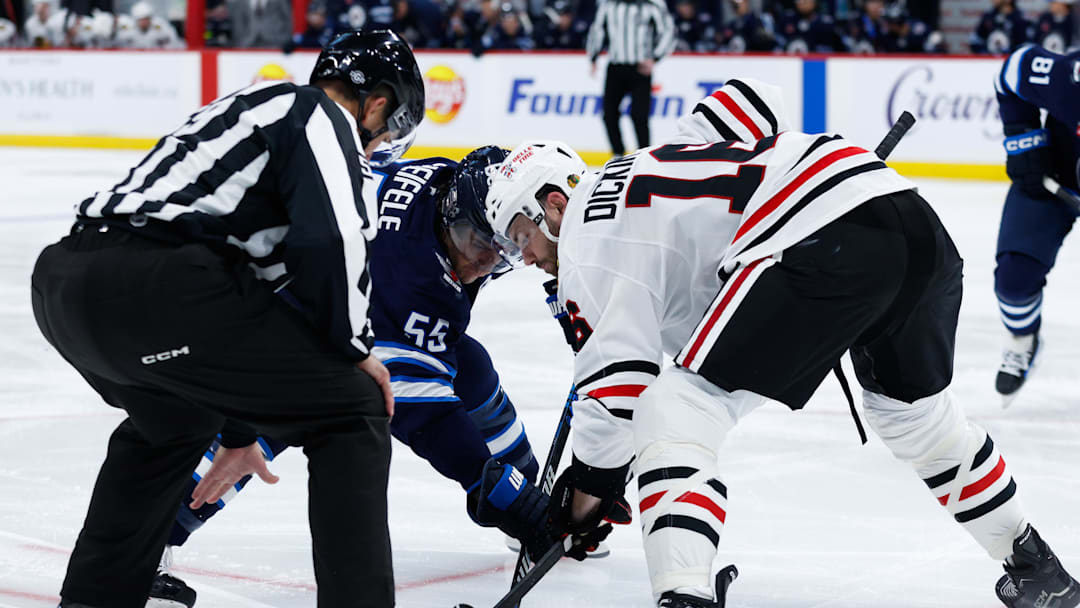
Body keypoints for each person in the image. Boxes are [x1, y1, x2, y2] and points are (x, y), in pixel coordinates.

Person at [482, 79, 1080, 607]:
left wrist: (583, 504)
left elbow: (619, 396)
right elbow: (740, 102)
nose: (526, 257)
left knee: (675, 410)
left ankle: (683, 596)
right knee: (916, 420)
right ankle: (1036, 567)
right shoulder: (648, 161)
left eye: (521, 234)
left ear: (555, 203)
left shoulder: (585, 238)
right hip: (904, 213)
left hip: (821, 239)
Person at [30, 29, 424, 608]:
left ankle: (94, 600)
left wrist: (239, 430)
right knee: (353, 407)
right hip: (159, 286)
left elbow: (251, 312)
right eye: (389, 130)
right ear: (378, 102)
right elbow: (332, 242)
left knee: (173, 422)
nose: (378, 145)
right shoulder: (318, 114)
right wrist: (354, 349)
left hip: (65, 287)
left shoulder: (247, 114)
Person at [143, 147, 565, 606]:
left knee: (470, 366)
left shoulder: (447, 185)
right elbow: (416, 406)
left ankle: (529, 488)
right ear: (450, 218)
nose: (476, 265)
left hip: (320, 299)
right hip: (265, 312)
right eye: (472, 243)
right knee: (267, 424)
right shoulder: (415, 273)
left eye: (498, 252)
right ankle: (142, 550)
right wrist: (486, 482)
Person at [991, 44, 1080, 405]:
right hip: (1056, 180)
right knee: (1014, 279)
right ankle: (1022, 338)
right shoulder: (1069, 77)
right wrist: (1023, 142)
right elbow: (1011, 71)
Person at [586, 0, 676, 157]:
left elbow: (668, 31)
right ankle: (618, 154)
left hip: (640, 67)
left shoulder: (652, 4)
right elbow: (597, 30)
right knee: (609, 114)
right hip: (616, 66)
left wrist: (655, 57)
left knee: (640, 115)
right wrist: (593, 57)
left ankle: (644, 155)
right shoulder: (608, 5)